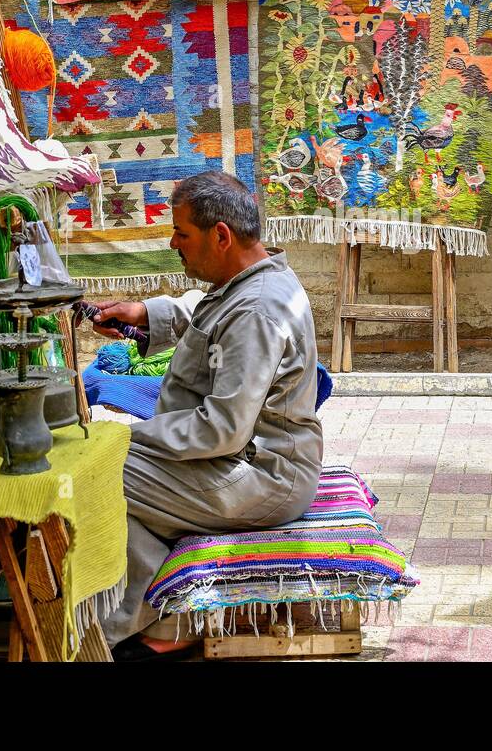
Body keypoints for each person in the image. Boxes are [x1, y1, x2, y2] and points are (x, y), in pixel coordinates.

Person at [90, 171, 323, 660]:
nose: (173, 243)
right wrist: (143, 314)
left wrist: (129, 435)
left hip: (261, 475)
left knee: (95, 472)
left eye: (182, 233)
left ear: (221, 236)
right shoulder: (254, 279)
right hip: (243, 461)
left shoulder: (258, 311)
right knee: (107, 469)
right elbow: (204, 309)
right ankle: (163, 612)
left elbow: (221, 429)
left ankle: (153, 623)